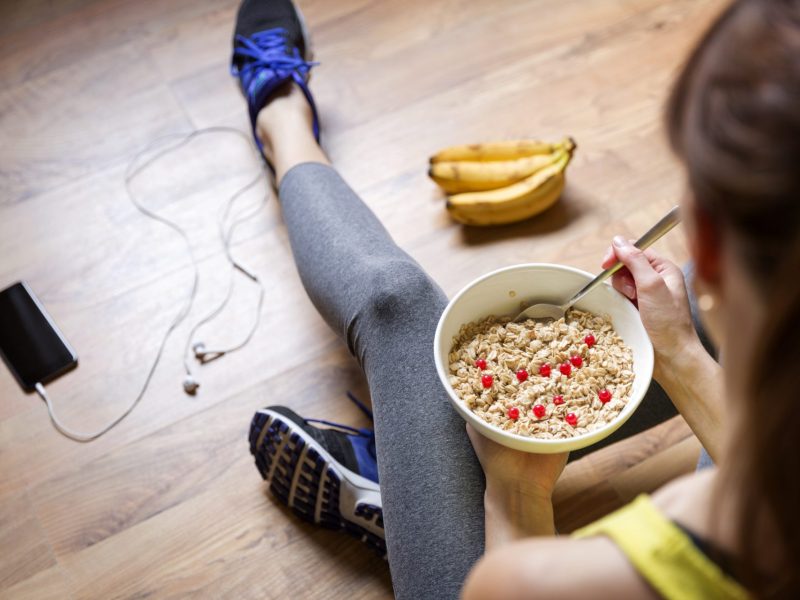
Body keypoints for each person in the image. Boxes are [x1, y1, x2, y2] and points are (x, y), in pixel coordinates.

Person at [234, 0, 800, 597]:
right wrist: (680, 351)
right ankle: (410, 486)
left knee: (395, 303)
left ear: (705, 242)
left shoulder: (573, 580)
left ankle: (282, 117)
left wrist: (516, 488)